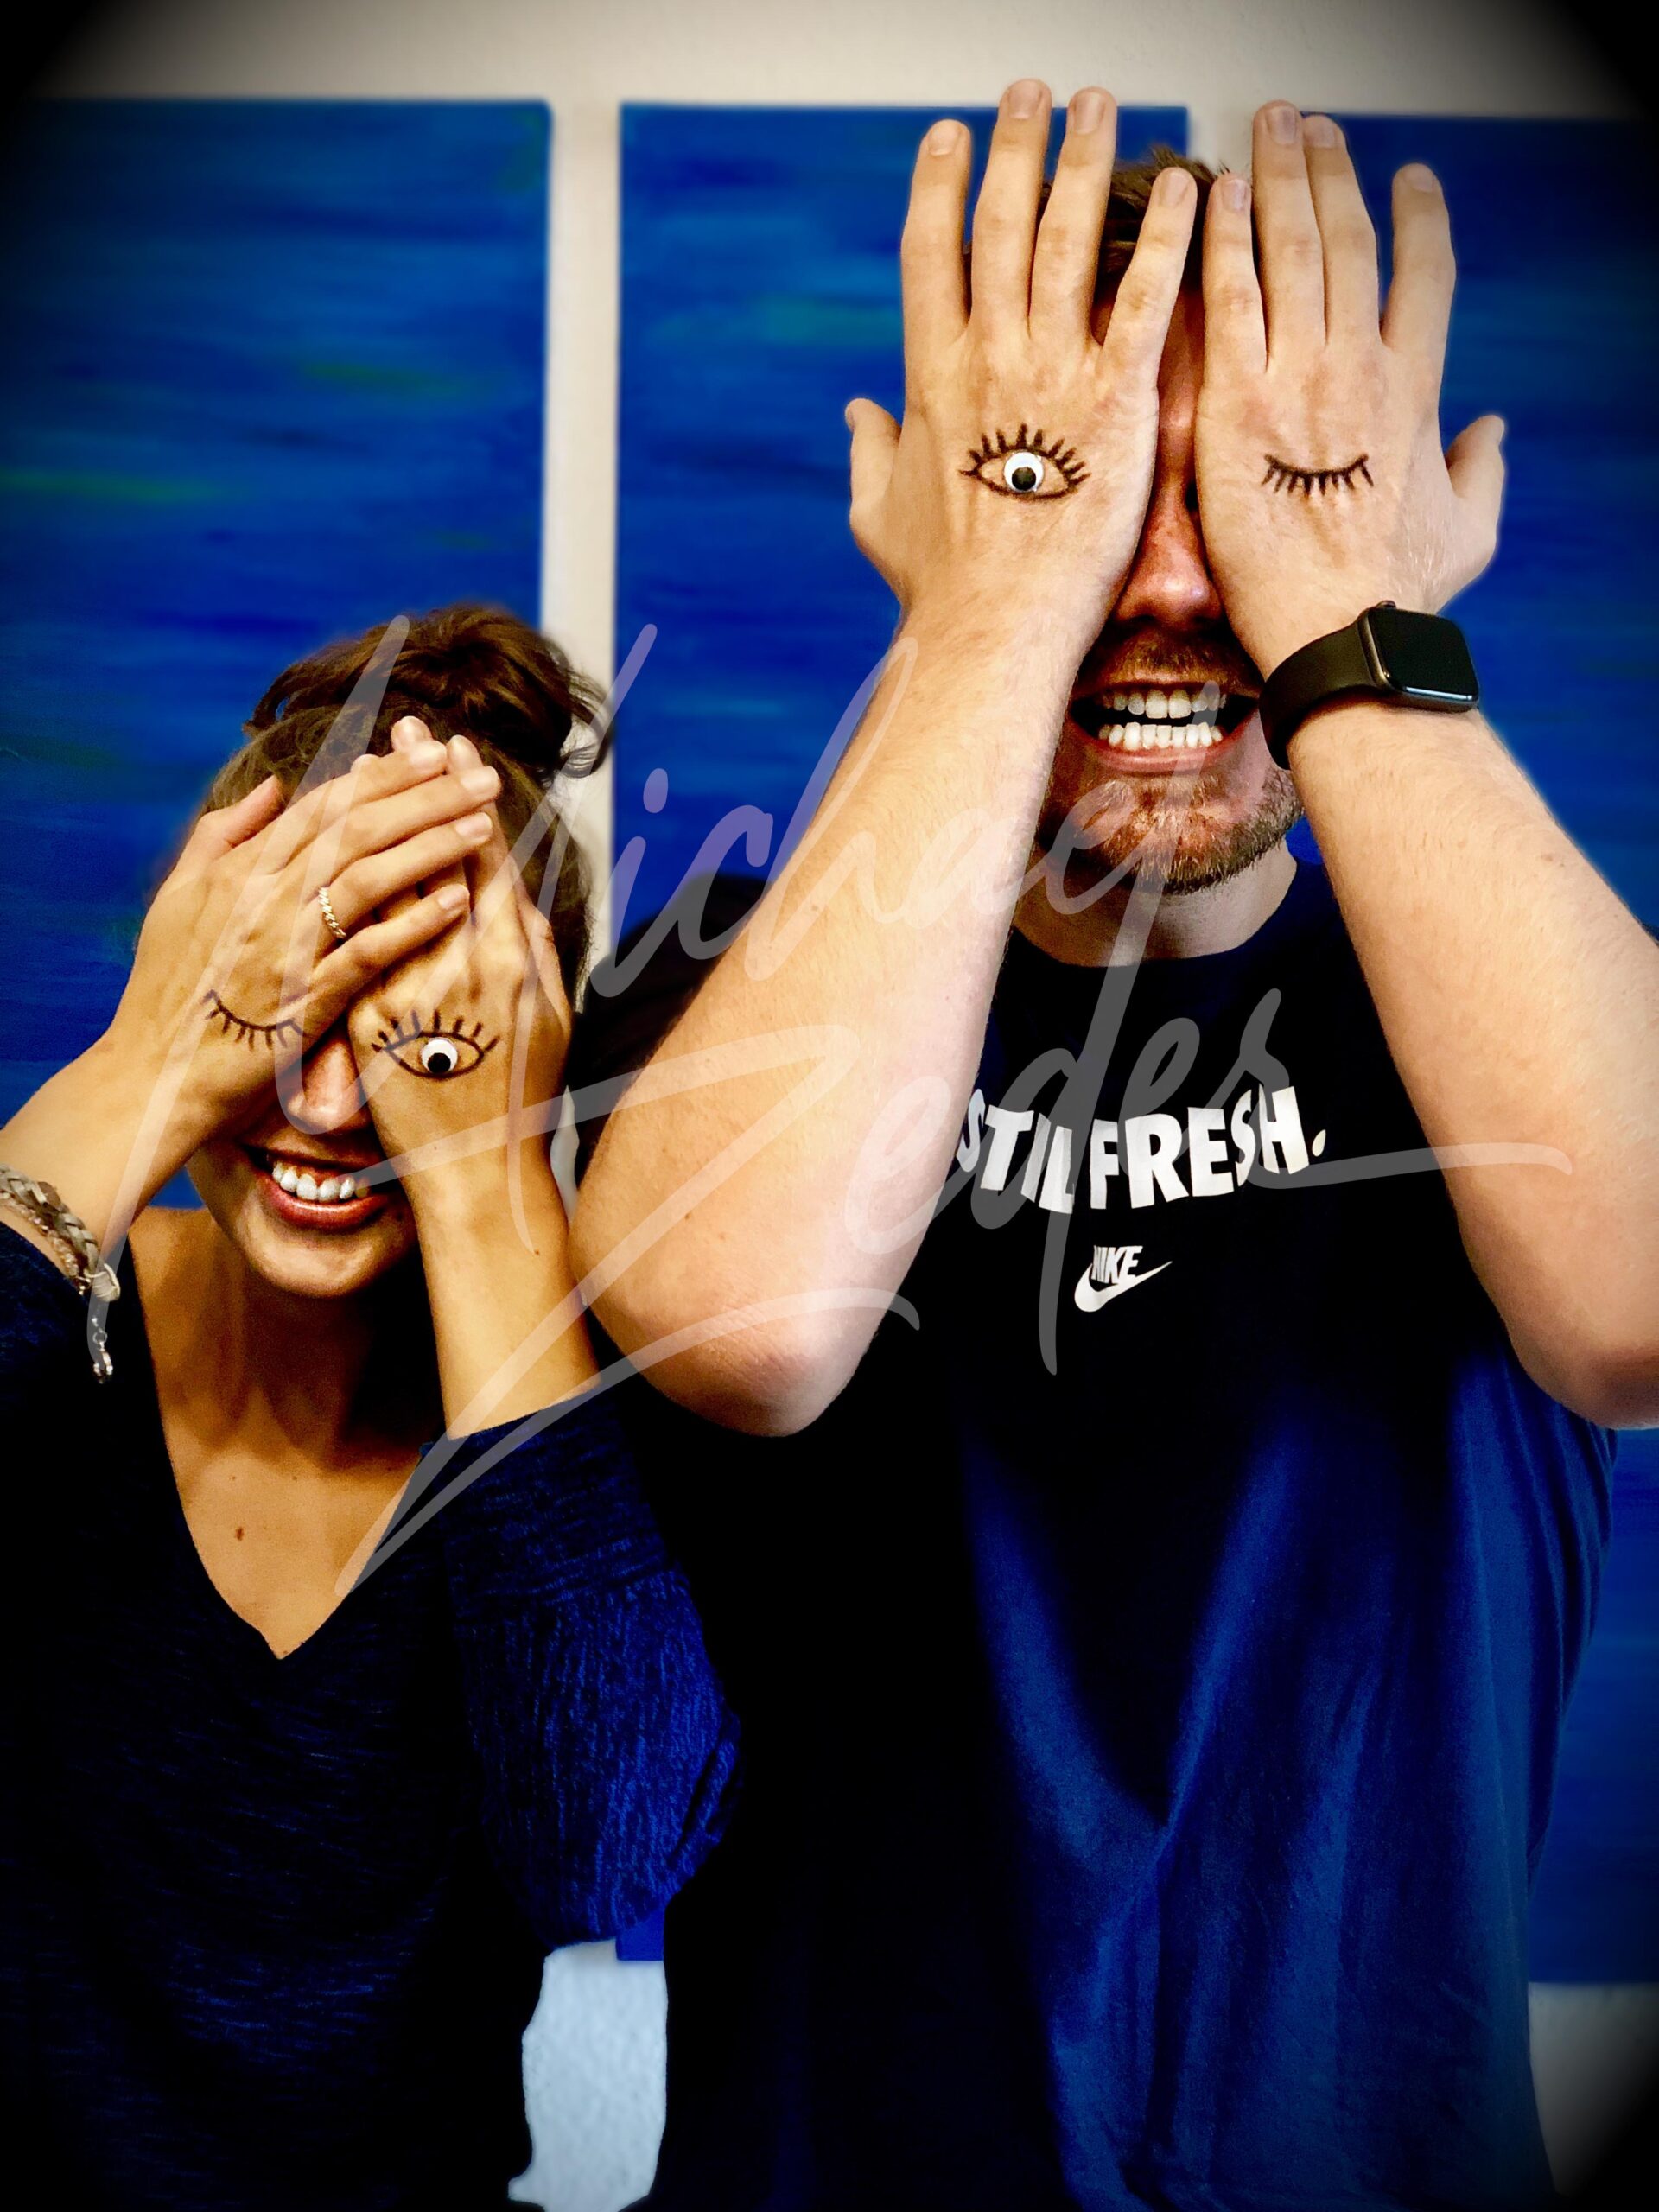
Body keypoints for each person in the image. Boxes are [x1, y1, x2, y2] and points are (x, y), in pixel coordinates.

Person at [568, 86, 1659, 2211]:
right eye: (1066, 484)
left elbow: (1635, 1302)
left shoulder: (1505, 1001)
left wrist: (1349, 609)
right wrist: (994, 612)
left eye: (1251, 487)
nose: (1165, 575)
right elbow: (744, 1329)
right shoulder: (719, 983)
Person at [0, 605, 740, 2212]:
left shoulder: (576, 1433)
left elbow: (601, 1858)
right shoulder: (53, 1337)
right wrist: (144, 1065)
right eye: (283, 1002)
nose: (332, 1101)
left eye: (417, 1030)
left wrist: (487, 1174)